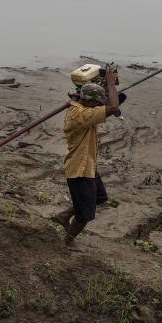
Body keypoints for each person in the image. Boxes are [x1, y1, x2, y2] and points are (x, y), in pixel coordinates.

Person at [53, 66, 119, 251]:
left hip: (87, 166)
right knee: (85, 214)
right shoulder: (82, 115)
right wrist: (112, 83)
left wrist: (106, 83)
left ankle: (64, 216)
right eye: (97, 104)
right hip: (80, 170)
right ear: (89, 102)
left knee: (99, 197)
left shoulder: (80, 107)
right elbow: (113, 107)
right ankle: (68, 241)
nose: (99, 107)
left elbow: (106, 103)